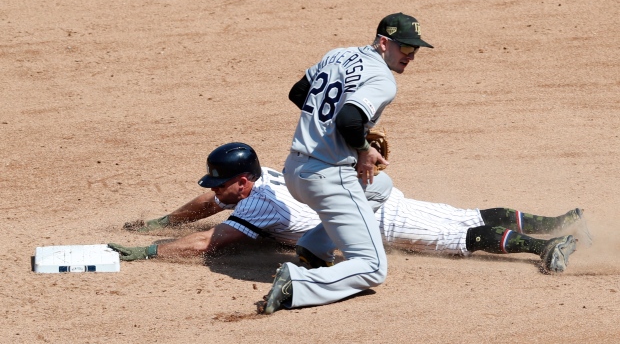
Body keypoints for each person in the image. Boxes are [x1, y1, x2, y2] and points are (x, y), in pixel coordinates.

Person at [110, 142, 585, 268]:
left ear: (241, 181)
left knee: (457, 236)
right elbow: (208, 202)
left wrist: (150, 252)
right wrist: (164, 220)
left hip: (379, 219)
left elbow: (206, 243)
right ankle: (558, 222)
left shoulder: (256, 206)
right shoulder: (265, 174)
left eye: (223, 184)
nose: (218, 192)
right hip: (371, 202)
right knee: (464, 216)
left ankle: (544, 247)